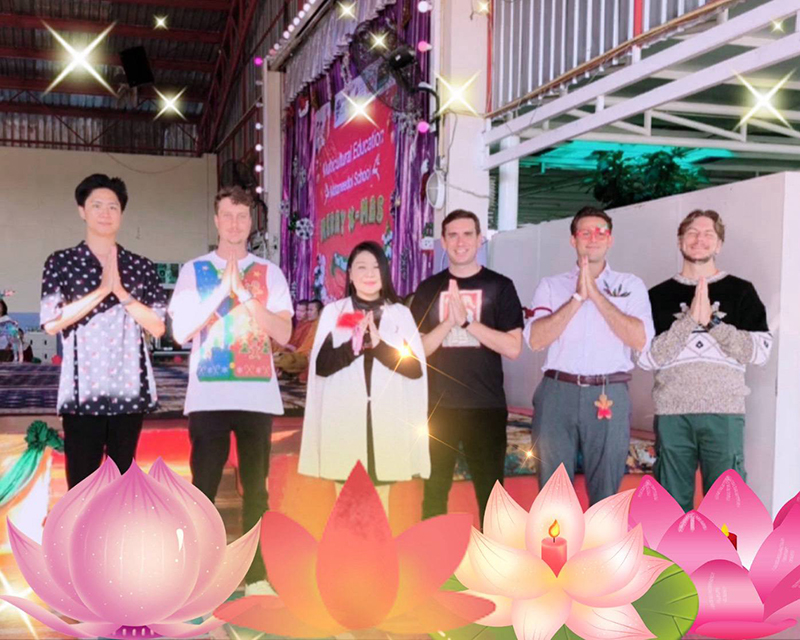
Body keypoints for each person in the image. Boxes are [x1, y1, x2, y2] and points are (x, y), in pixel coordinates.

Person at [169, 185, 293, 595]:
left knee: (256, 489)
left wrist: (247, 297)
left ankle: (256, 574)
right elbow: (181, 332)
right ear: (216, 220)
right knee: (203, 487)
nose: (235, 223)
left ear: (250, 221)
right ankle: (199, 577)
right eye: (227, 215)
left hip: (257, 397)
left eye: (242, 216)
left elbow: (284, 333)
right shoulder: (194, 271)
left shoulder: (270, 273)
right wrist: (223, 291)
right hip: (209, 397)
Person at [638, 210, 771, 511]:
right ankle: (672, 547)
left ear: (719, 244)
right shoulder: (657, 295)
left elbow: (760, 351)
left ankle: (725, 547)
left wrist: (712, 323)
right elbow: (646, 358)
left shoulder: (741, 291)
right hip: (673, 414)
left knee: (727, 507)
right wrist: (688, 322)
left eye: (708, 234)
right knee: (670, 506)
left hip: (724, 412)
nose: (700, 239)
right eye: (692, 233)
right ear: (679, 241)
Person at [40, 174, 167, 488]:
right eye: (96, 205)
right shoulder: (61, 262)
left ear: (121, 213)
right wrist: (101, 291)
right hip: (83, 391)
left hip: (128, 389)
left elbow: (157, 326)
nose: (105, 213)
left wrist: (121, 292)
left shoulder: (140, 266)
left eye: (113, 206)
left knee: (123, 485)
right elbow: (52, 322)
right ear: (82, 211)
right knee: (81, 485)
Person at [525, 206, 654, 505]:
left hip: (609, 392)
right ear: (573, 240)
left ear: (610, 240)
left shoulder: (630, 286)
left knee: (606, 491)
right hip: (557, 392)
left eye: (600, 232)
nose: (593, 238)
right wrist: (577, 298)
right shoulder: (551, 285)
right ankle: (556, 538)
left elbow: (640, 339)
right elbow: (535, 340)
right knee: (553, 492)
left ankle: (602, 537)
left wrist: (595, 294)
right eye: (585, 232)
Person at [410, 210, 523, 523]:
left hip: (485, 406)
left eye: (468, 234)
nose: (460, 242)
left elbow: (513, 348)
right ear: (444, 241)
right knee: (434, 492)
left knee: (492, 495)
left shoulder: (500, 286)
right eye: (453, 235)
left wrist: (468, 323)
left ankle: (493, 554)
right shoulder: (429, 289)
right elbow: (418, 351)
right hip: (438, 407)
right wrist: (449, 322)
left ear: (480, 239)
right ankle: (433, 554)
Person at [299, 241, 429, 510]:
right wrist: (354, 345)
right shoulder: (336, 313)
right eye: (361, 267)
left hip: (386, 422)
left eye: (376, 267)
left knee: (381, 508)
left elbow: (415, 369)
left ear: (385, 273)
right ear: (350, 274)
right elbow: (322, 366)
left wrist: (379, 345)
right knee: (345, 506)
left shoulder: (399, 314)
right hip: (345, 422)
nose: (369, 274)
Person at [273, 299, 320, 378]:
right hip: (294, 354)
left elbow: (299, 349)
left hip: (302, 357)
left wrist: (286, 346)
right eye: (297, 310)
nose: (298, 313)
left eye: (302, 311)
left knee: (278, 358)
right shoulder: (299, 325)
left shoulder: (313, 326)